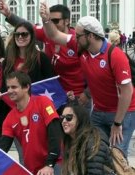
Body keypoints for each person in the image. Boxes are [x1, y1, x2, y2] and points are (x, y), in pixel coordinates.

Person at [40, 3, 135, 158]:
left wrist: (117, 123)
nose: (75, 38)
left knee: (117, 157)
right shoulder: (81, 48)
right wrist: (45, 20)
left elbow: (127, 91)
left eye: (78, 36)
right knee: (94, 152)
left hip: (123, 112)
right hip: (99, 111)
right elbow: (54, 36)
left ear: (90, 36)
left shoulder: (115, 55)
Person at [0, 0, 86, 101]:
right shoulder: (47, 33)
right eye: (50, 20)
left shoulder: (76, 41)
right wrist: (8, 14)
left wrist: (87, 94)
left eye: (55, 21)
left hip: (76, 96)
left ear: (67, 21)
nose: (51, 24)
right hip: (52, 93)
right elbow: (27, 28)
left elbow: (92, 68)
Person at [0, 21, 54, 161]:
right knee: (21, 153)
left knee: (35, 151)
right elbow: (4, 89)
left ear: (31, 36)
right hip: (12, 112)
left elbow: (51, 84)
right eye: (17, 34)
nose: (20, 37)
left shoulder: (41, 58)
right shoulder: (8, 60)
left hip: (35, 112)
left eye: (24, 34)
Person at [0, 71, 62, 174]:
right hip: (31, 170)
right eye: (8, 87)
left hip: (53, 166)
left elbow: (55, 134)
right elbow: (2, 148)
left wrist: (49, 164)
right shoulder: (9, 118)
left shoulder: (43, 102)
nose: (9, 91)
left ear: (26, 87)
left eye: (14, 87)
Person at [61, 104, 114, 174]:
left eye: (69, 117)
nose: (64, 121)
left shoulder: (94, 142)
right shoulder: (70, 140)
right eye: (62, 118)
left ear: (80, 119)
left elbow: (95, 172)